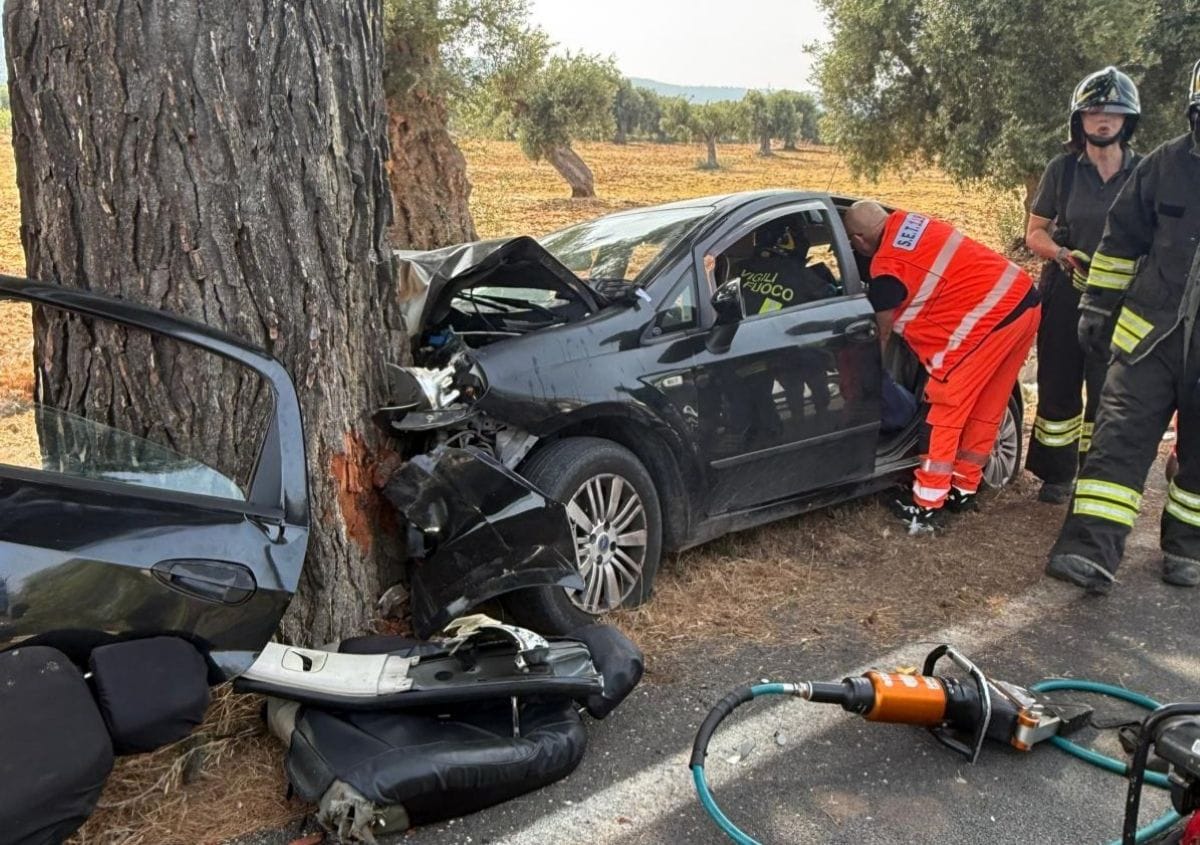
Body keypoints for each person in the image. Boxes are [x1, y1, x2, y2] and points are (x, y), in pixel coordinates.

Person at [1045, 59, 1200, 592]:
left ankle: (1187, 550)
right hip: (1147, 338)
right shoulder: (1165, 166)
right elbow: (1120, 241)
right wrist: (1095, 307)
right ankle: (1089, 552)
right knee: (1117, 442)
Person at [844, 201, 1040, 532]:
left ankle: (926, 503)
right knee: (987, 406)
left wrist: (869, 365)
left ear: (860, 240)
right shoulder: (910, 222)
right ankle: (964, 489)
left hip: (985, 322)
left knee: (945, 409)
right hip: (1022, 301)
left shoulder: (887, 268)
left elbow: (882, 330)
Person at [1025, 67, 1142, 504]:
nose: (1103, 119)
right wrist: (1059, 254)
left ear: (1128, 120)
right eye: (1094, 111)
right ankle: (1058, 475)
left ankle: (1096, 476)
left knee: (1109, 389)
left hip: (1121, 301)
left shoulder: (1145, 172)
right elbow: (1034, 232)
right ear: (1080, 120)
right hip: (1066, 292)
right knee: (1058, 382)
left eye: (1113, 112)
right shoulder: (1063, 170)